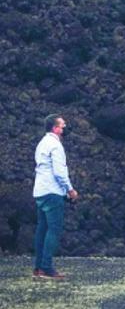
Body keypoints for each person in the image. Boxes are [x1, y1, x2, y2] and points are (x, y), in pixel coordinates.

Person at [32, 114, 78, 281]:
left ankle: (38, 267)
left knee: (42, 229)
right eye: (63, 125)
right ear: (55, 128)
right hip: (52, 192)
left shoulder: (42, 144)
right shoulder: (56, 145)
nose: (65, 127)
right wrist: (70, 190)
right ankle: (47, 267)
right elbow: (59, 172)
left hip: (40, 191)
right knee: (54, 229)